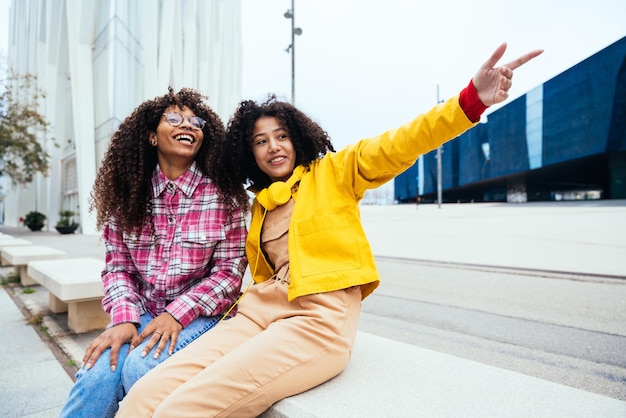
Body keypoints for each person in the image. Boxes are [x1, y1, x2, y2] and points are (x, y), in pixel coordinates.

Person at [116, 43, 543, 417]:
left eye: (281, 135)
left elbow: (403, 141)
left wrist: (471, 101)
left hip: (316, 321)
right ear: (251, 155)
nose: (273, 146)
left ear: (298, 138)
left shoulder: (335, 173)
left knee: (181, 409)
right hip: (256, 314)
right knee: (145, 395)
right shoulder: (262, 204)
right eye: (260, 141)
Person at [59, 87, 248, 418]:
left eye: (196, 121)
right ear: (151, 136)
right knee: (96, 376)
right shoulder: (128, 196)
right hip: (143, 311)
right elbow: (118, 269)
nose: (188, 125)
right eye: (174, 118)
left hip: (200, 317)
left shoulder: (224, 197)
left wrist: (176, 314)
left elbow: (229, 273)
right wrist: (124, 318)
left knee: (141, 369)